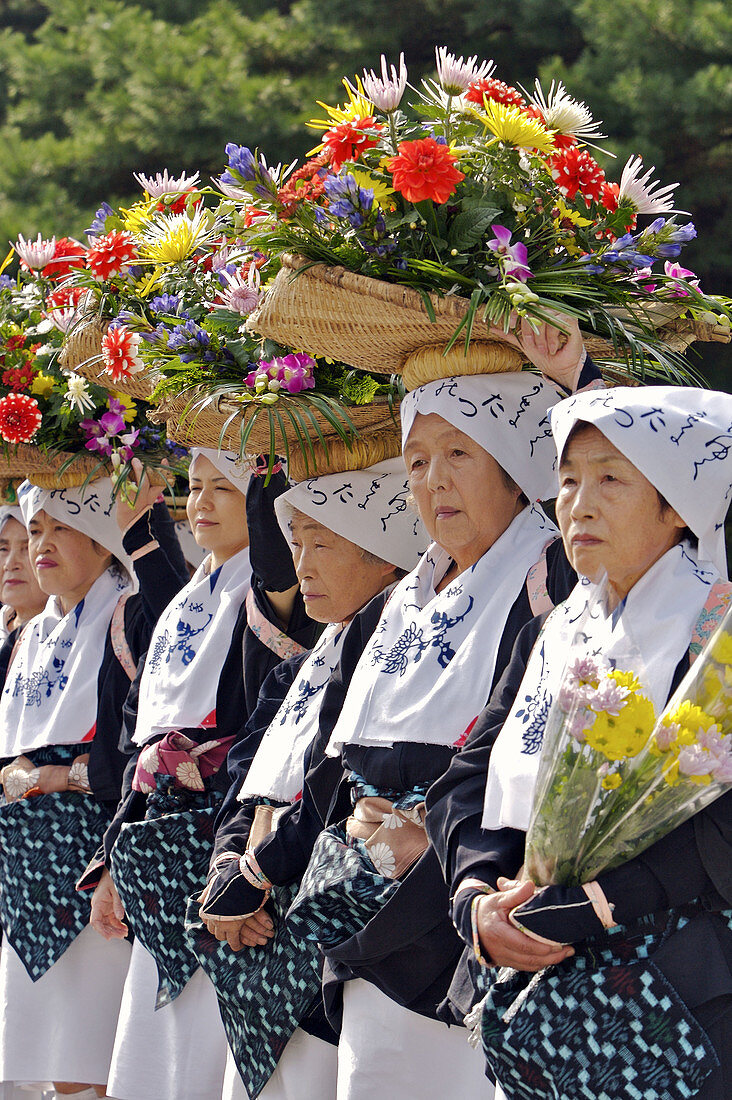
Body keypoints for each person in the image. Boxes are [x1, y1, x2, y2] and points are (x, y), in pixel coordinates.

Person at [201, 321, 603, 1098]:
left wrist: (577, 375)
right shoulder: (396, 604)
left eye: (459, 454)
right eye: (417, 462)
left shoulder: (546, 572)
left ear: (517, 465)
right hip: (362, 907)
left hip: (463, 907)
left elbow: (626, 481)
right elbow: (332, 767)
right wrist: (256, 864)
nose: (433, 481)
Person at [426, 385, 732, 1100]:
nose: (579, 503)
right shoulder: (553, 631)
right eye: (567, 480)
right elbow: (466, 782)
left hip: (684, 995)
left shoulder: (715, 634)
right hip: (537, 984)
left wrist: (603, 901)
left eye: (611, 479)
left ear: (679, 502)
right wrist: (475, 897)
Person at [90, 449, 319, 1100]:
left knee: (212, 1058)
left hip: (225, 839)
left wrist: (244, 863)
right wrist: (112, 860)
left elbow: (265, 730)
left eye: (227, 487)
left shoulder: (274, 596)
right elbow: (143, 743)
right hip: (163, 852)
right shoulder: (191, 597)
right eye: (194, 487)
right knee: (157, 1059)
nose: (203, 503)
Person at [196, 456, 426, 1100]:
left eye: (322, 545)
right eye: (298, 545)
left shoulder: (388, 652)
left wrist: (258, 870)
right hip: (259, 910)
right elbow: (246, 775)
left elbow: (336, 783)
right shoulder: (298, 667)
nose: (303, 566)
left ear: (387, 558)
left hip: (323, 909)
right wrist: (228, 867)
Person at [0, 471, 189, 1099]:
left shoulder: (129, 613)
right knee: (60, 1063)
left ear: (105, 538)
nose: (42, 546)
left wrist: (56, 777)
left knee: (100, 1055)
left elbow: (134, 749)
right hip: (30, 875)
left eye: (64, 528)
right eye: (35, 531)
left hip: (92, 864)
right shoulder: (29, 631)